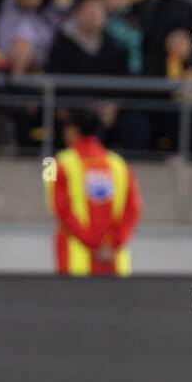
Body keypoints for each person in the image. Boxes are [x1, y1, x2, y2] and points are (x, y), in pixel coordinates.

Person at [45, 109, 142, 276]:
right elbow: (133, 210)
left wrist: (93, 244)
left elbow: (59, 210)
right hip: (115, 262)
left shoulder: (52, 164)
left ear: (72, 130)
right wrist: (112, 245)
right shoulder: (120, 164)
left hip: (74, 261)